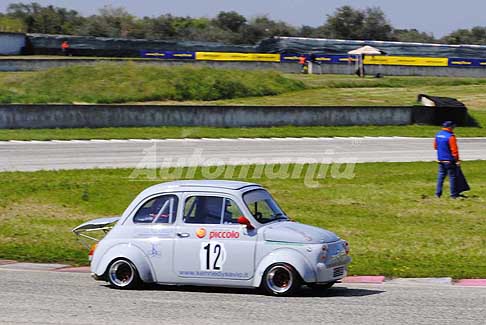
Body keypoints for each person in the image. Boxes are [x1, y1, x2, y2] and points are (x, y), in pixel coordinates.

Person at [434, 121, 460, 198]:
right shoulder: (451, 136)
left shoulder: (438, 135)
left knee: (440, 177)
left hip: (440, 159)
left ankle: (437, 194)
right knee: (452, 177)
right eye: (453, 127)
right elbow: (454, 150)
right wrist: (457, 160)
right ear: (450, 127)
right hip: (449, 160)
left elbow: (435, 146)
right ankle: (453, 195)